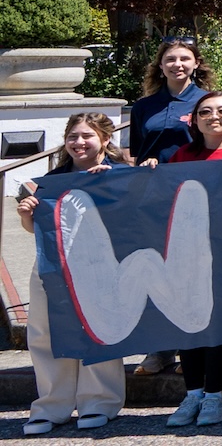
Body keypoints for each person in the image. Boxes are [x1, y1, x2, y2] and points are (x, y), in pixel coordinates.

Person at [153, 93, 222, 427]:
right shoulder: (181, 156)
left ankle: (215, 394)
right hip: (186, 251)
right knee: (189, 321)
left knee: (218, 322)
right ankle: (192, 393)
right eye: (205, 112)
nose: (214, 117)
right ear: (194, 120)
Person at [18, 114, 126, 436]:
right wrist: (27, 214)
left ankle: (99, 402)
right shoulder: (51, 180)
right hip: (53, 265)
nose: (79, 143)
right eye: (73, 137)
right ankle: (52, 404)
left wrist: (111, 187)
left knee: (98, 328)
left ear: (105, 139)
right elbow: (36, 229)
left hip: (100, 264)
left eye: (87, 136)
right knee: (45, 332)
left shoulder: (121, 175)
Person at [131, 36, 210, 165]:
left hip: (193, 178)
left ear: (196, 63)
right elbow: (138, 153)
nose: (177, 64)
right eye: (170, 59)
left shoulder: (208, 102)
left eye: (184, 59)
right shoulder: (142, 106)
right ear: (161, 65)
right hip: (151, 180)